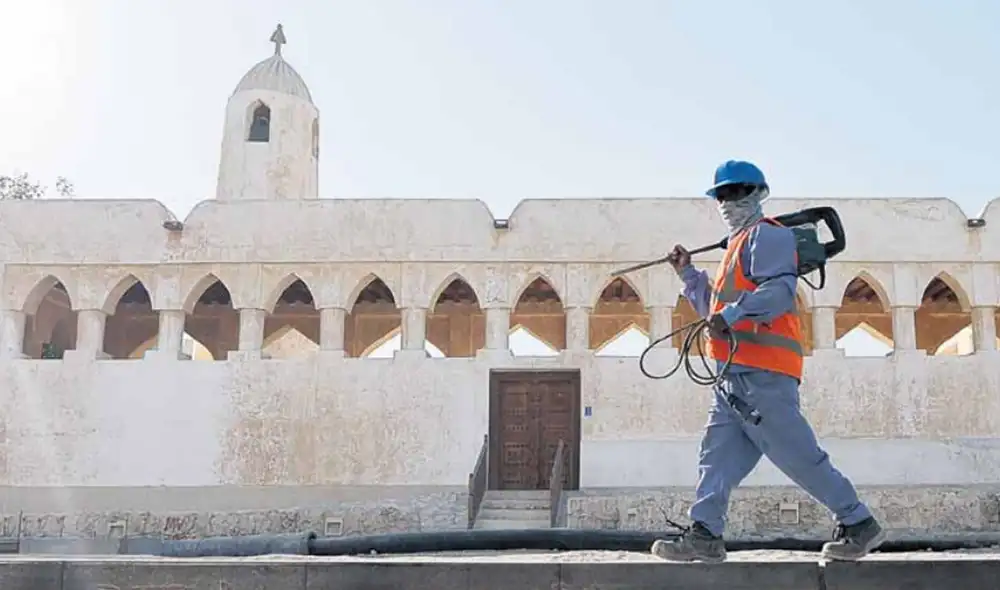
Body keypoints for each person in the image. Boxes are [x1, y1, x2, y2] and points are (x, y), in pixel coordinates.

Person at [650, 160, 885, 563]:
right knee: (715, 457)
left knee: (795, 454)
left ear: (759, 194)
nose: (728, 201)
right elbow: (714, 310)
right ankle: (705, 534)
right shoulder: (735, 248)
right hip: (732, 376)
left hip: (764, 371)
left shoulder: (769, 236)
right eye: (722, 194)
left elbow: (778, 292)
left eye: (737, 192)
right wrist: (688, 273)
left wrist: (733, 316)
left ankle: (858, 522)